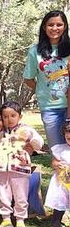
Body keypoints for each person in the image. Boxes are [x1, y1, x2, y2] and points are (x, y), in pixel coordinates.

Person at [0, 100, 44, 227]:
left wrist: (31, 138)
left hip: (20, 169)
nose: (9, 119)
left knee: (21, 195)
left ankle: (20, 219)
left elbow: (39, 144)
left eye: (13, 115)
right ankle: (6, 218)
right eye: (5, 117)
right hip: (2, 170)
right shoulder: (1, 134)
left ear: (20, 116)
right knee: (3, 193)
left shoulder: (26, 130)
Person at [23, 10, 70, 149]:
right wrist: (44, 89)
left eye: (59, 24)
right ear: (44, 27)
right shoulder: (34, 51)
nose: (55, 28)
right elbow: (28, 79)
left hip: (69, 105)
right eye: (51, 25)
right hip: (51, 108)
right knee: (57, 150)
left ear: (65, 27)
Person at [43, 120, 70, 227]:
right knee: (59, 205)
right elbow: (53, 162)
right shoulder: (61, 149)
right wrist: (57, 164)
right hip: (62, 184)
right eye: (68, 136)